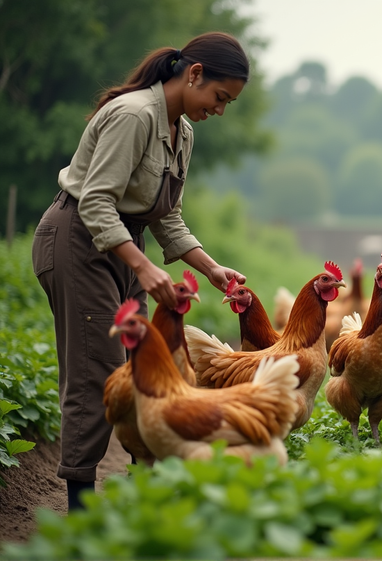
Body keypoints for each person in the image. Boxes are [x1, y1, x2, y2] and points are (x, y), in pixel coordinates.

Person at [31, 32, 250, 510]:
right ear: (194, 74)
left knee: (145, 376)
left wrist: (210, 268)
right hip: (79, 240)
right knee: (99, 373)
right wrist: (144, 266)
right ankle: (81, 508)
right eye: (219, 97)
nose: (220, 110)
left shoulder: (182, 131)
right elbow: (95, 200)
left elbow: (166, 216)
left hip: (125, 244)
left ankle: (145, 495)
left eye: (228, 102)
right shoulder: (134, 115)